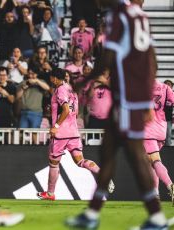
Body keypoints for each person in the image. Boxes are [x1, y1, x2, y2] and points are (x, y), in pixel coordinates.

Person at [66, 0, 169, 229]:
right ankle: (92, 214)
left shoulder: (119, 15)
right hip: (130, 97)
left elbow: (108, 56)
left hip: (127, 99)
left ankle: (156, 216)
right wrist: (146, 95)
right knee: (108, 151)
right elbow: (151, 56)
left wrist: (86, 78)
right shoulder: (139, 16)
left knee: (134, 155)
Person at [37, 68, 113, 201]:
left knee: (54, 163)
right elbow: (75, 112)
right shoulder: (72, 90)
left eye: (51, 77)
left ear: (55, 78)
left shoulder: (60, 90)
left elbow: (66, 110)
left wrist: (55, 126)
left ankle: (50, 194)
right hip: (73, 132)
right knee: (80, 161)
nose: (50, 80)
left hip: (61, 134)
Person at [144, 80, 174, 201]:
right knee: (152, 162)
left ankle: (170, 185)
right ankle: (155, 194)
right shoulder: (166, 87)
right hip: (161, 130)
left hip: (148, 129)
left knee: (155, 161)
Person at [164, 80, 173, 146]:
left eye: (169, 84)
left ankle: (168, 148)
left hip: (168, 118)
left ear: (172, 86)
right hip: (159, 119)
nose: (167, 85)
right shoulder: (160, 94)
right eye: (166, 84)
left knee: (168, 134)